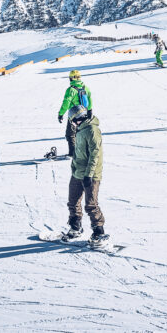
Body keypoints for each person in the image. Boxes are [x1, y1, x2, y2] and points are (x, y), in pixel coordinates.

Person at [66, 94, 105, 242]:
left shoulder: (92, 131)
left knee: (91, 204)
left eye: (72, 121)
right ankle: (75, 227)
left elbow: (95, 155)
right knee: (73, 202)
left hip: (91, 175)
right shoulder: (81, 129)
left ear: (77, 119)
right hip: (78, 172)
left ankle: (99, 232)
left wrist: (89, 175)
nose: (72, 124)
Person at [59, 70, 93, 158]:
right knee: (80, 133)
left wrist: (61, 114)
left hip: (74, 115)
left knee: (70, 134)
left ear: (71, 78)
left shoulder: (71, 90)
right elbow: (89, 99)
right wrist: (90, 111)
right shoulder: (85, 87)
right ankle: (82, 153)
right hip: (84, 113)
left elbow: (66, 103)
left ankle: (72, 154)